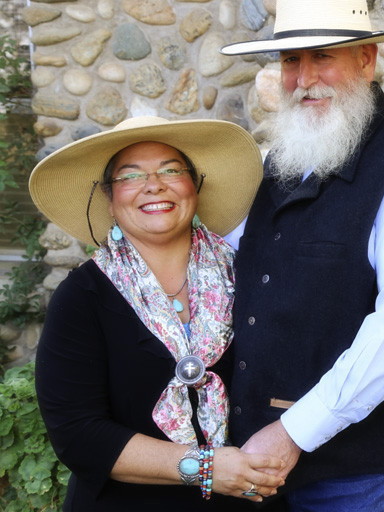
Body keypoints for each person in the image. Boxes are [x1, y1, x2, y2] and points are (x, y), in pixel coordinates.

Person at [219, 0, 384, 511]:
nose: (304, 78)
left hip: (367, 479)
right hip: (266, 467)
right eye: (291, 60)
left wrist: (293, 432)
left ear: (366, 60)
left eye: (323, 57)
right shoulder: (280, 162)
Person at [29, 116, 289, 511]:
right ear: (109, 198)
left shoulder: (249, 277)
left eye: (171, 170)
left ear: (195, 186)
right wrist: (205, 468)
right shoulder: (82, 296)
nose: (154, 185)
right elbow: (77, 432)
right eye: (131, 176)